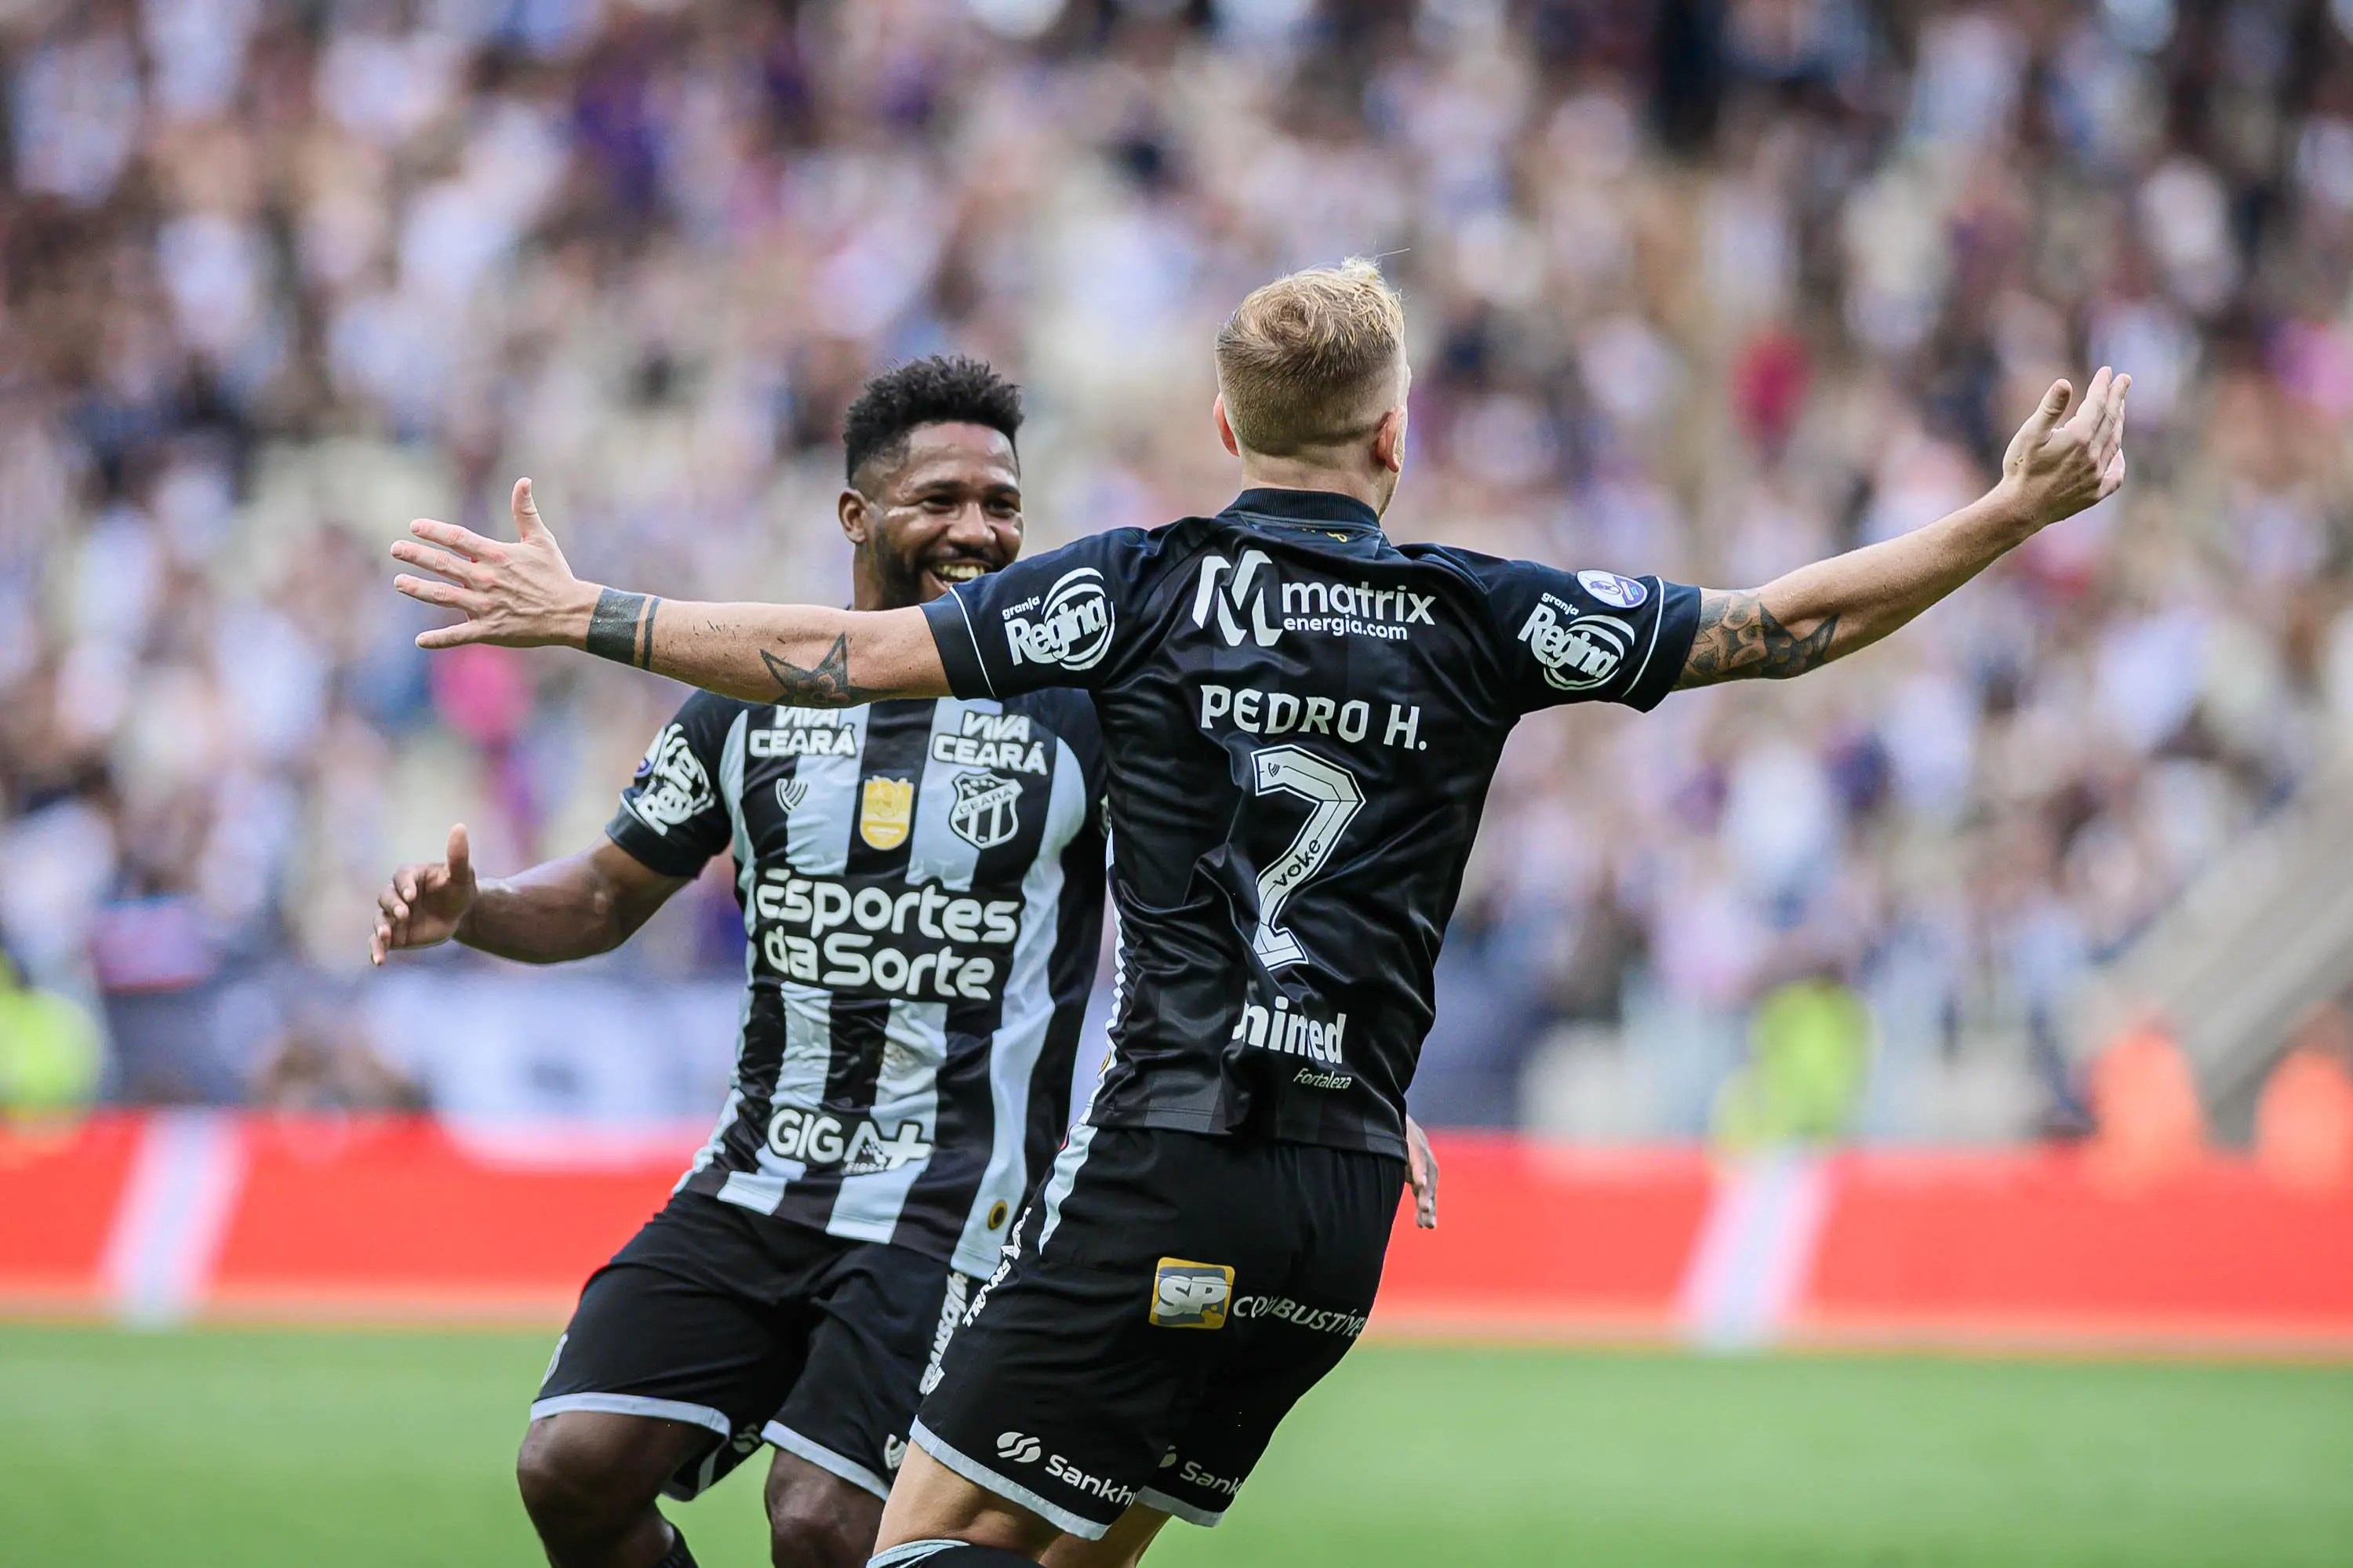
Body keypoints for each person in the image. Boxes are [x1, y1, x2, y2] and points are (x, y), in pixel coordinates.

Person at [388, 259, 2126, 1568]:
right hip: (1343, 1194)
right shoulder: (1480, 613)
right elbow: (1781, 626)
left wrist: (590, 611)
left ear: (1225, 429)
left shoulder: (1129, 595)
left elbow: (851, 662)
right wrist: (2008, 510)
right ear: (1395, 432)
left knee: (890, 1556)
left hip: (1168, 1158)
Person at [373, 358, 1107, 1568]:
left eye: (1002, 501)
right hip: (756, 1179)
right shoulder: (743, 703)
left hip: (952, 1206)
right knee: (571, 1467)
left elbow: (1212, 911)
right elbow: (608, 893)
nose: (978, 527)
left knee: (822, 1524)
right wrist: (473, 911)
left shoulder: (1077, 707)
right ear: (856, 517)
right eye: (941, 498)